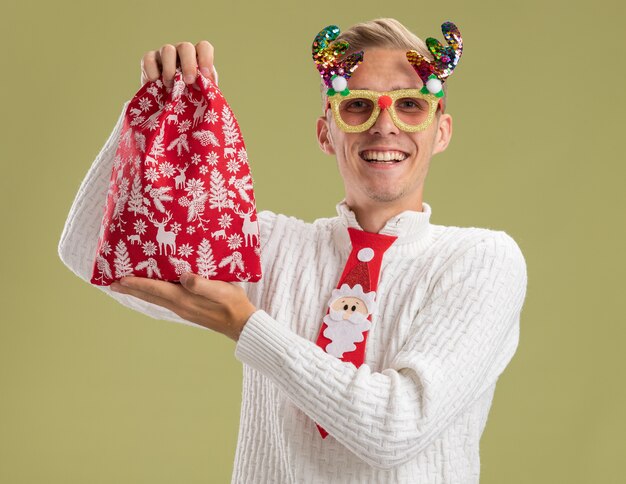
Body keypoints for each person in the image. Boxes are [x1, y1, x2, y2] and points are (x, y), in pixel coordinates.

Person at [58, 17, 528, 483]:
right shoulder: (267, 246)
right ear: (326, 133)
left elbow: (395, 428)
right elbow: (88, 250)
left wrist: (246, 326)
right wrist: (153, 111)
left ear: (441, 131)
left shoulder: (482, 262)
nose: (385, 126)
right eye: (357, 107)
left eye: (410, 106)